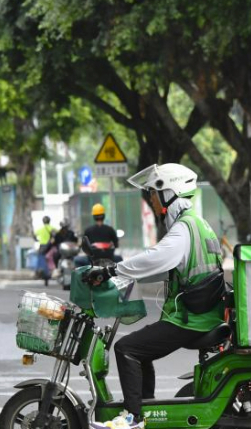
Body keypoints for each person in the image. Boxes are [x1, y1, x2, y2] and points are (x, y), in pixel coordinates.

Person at [84, 163, 224, 429]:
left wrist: (112, 270)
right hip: (200, 313)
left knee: (127, 349)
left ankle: (133, 417)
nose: (150, 199)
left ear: (167, 192)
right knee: (141, 350)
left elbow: (157, 257)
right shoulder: (197, 223)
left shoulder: (184, 228)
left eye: (153, 193)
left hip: (191, 319)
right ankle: (144, 406)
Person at [34, 216, 55, 285]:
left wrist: (36, 240)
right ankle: (50, 272)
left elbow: (34, 234)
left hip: (42, 247)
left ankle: (39, 272)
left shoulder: (40, 229)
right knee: (51, 258)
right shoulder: (52, 228)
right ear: (49, 221)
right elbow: (57, 234)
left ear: (43, 221)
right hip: (50, 247)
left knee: (41, 259)